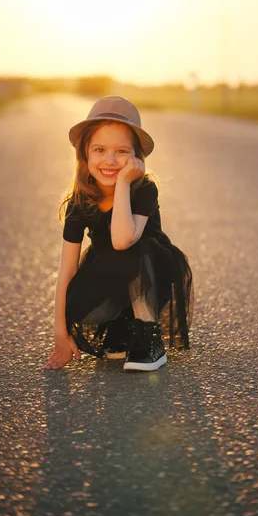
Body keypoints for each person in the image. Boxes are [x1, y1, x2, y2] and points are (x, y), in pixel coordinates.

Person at [43, 95, 193, 372]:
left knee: (134, 247)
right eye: (99, 150)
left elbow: (123, 239)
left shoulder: (143, 189)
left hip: (151, 272)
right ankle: (122, 324)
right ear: (84, 153)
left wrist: (124, 184)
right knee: (80, 295)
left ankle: (148, 335)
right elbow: (66, 271)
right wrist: (60, 336)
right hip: (110, 277)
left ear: (136, 157)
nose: (110, 160)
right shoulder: (79, 201)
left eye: (121, 152)